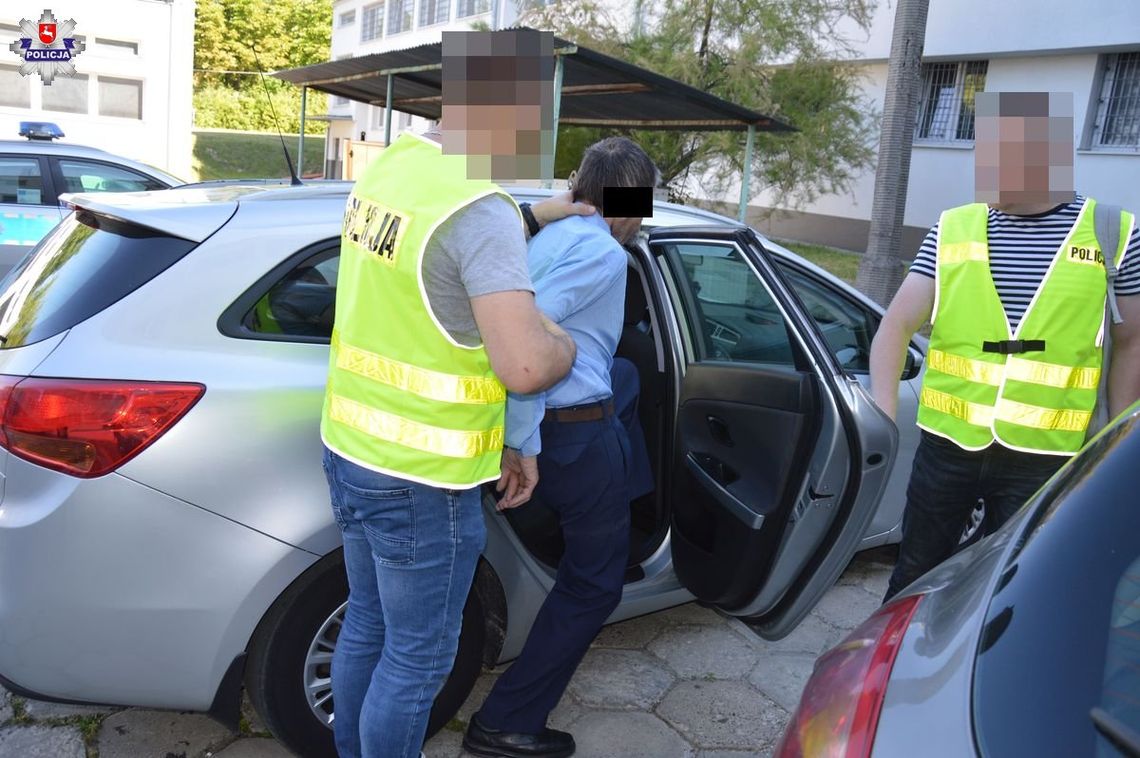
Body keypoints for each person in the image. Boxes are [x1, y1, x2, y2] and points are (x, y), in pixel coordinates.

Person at [321, 29, 596, 758]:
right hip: (424, 481)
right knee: (415, 661)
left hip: (351, 447)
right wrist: (563, 341)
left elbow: (445, 250)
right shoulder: (481, 207)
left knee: (368, 628)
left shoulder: (397, 166)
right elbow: (528, 367)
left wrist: (547, 212)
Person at [871, 91, 1140, 602]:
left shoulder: (1114, 233)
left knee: (1008, 588)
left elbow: (1133, 343)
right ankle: (889, 673)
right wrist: (885, 421)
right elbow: (894, 327)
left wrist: (1115, 440)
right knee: (913, 576)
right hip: (948, 445)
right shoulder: (952, 228)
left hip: (1046, 454)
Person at [463, 137, 660, 758]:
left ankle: (637, 498)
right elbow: (524, 339)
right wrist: (522, 437)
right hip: (570, 430)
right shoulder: (602, 253)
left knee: (627, 379)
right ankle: (508, 721)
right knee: (594, 585)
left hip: (551, 422)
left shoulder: (544, 235)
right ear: (631, 201)